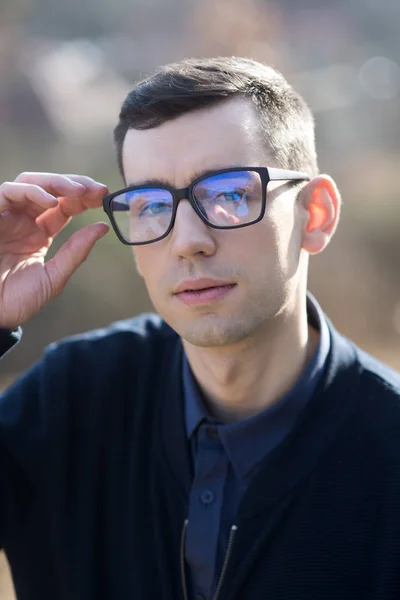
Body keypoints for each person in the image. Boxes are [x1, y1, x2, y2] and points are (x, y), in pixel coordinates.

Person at [0, 56, 399, 600]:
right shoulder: (69, 400)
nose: (187, 240)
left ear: (316, 214)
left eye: (231, 193)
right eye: (149, 204)